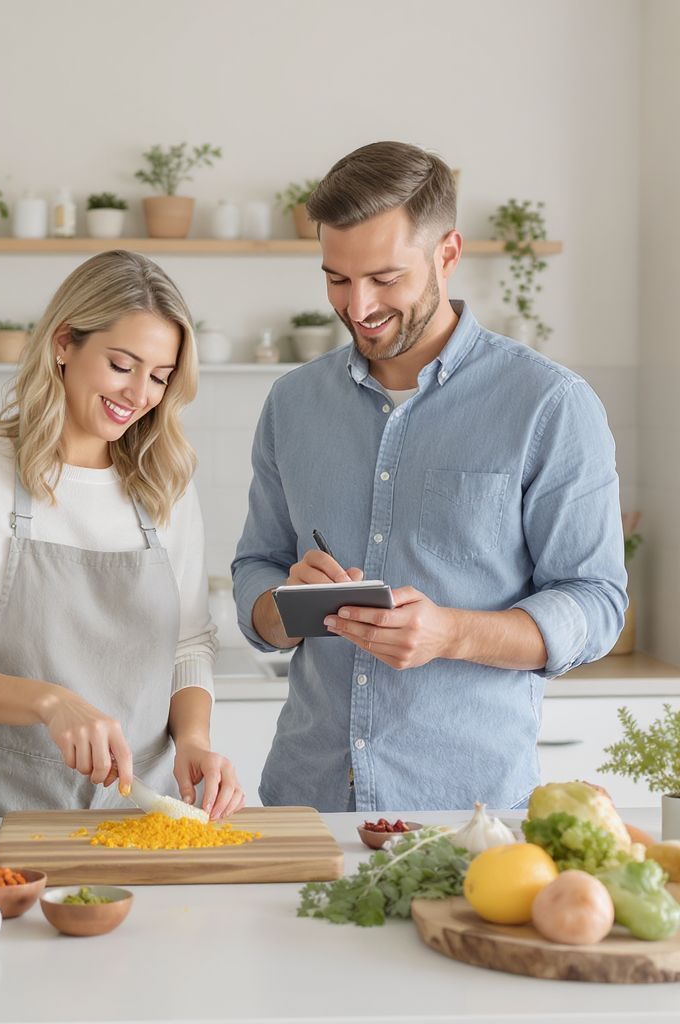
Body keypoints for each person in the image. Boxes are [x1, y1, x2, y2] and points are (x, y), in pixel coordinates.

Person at [232, 141, 627, 813]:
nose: (358, 307)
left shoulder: (548, 404)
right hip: (306, 800)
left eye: (385, 278)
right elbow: (257, 568)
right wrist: (282, 607)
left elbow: (596, 602)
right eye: (336, 278)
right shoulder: (294, 404)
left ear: (447, 253)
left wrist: (453, 633)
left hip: (466, 811)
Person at [0, 250, 244, 820]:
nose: (139, 395)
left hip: (137, 815)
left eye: (159, 377)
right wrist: (50, 702)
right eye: (122, 366)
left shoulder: (165, 485)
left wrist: (195, 740)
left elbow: (188, 646)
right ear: (63, 343)